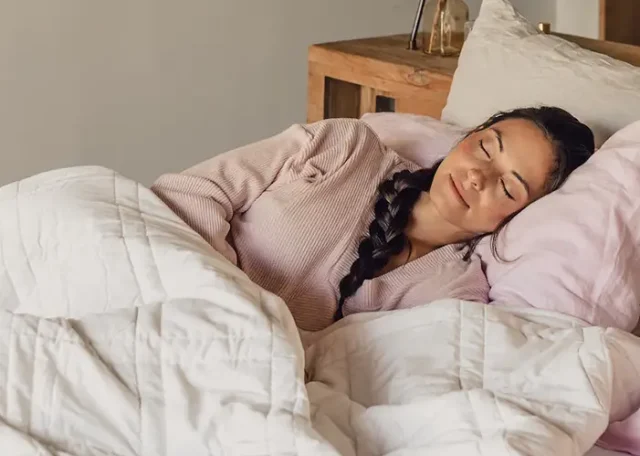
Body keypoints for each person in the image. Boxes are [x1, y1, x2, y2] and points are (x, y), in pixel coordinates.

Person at [151, 107, 595, 332]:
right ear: (468, 137)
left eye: (508, 186)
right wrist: (216, 299)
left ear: (521, 216)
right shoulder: (346, 147)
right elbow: (189, 195)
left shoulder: (453, 294)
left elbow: (361, 379)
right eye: (484, 147)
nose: (479, 176)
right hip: (162, 291)